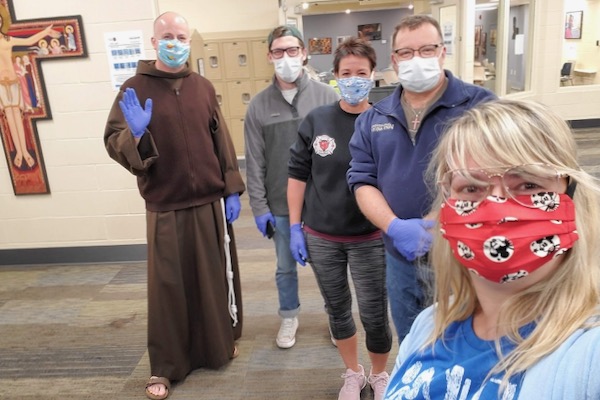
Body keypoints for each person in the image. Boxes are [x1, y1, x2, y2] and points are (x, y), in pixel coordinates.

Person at [384, 98, 600, 399]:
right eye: (471, 188)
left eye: (528, 185)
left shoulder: (588, 355)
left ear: (571, 194)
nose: (497, 206)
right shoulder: (428, 326)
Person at [104, 12, 245, 400]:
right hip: (165, 203)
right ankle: (166, 366)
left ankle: (217, 347)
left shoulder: (202, 86)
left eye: (181, 36)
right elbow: (115, 142)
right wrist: (135, 133)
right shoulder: (134, 87)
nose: (174, 42)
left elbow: (222, 141)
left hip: (208, 202)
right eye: (167, 35)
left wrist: (231, 188)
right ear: (154, 41)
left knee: (214, 278)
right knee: (169, 286)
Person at [347, 15, 495, 342]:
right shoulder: (375, 118)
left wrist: (437, 222)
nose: (417, 59)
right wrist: (394, 226)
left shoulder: (479, 106)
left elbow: (495, 177)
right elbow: (362, 180)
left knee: (465, 341)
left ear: (442, 52)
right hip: (399, 256)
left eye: (426, 49)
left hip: (463, 256)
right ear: (394, 61)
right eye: (406, 52)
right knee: (412, 341)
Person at [288, 37, 392, 400]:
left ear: (373, 75)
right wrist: (293, 227)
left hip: (370, 236)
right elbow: (298, 174)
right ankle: (352, 372)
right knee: (337, 307)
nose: (353, 79)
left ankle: (379, 374)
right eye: (346, 73)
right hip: (321, 235)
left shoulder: (384, 121)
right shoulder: (318, 120)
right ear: (335, 76)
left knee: (375, 311)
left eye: (361, 73)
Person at [244, 25, 339, 349]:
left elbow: (344, 153)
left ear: (304, 53)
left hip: (324, 205)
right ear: (270, 56)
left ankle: (335, 315)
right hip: (281, 205)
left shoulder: (327, 97)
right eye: (279, 51)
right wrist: (259, 207)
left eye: (293, 50)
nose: (287, 57)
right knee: (285, 267)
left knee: (329, 266)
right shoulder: (258, 106)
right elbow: (255, 162)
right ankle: (289, 315)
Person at [0, 4, 59, 170]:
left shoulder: (7, 40)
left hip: (13, 82)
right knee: (9, 116)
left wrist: (46, 32)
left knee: (17, 116)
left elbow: (28, 41)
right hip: (0, 87)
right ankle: (18, 152)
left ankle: (25, 151)